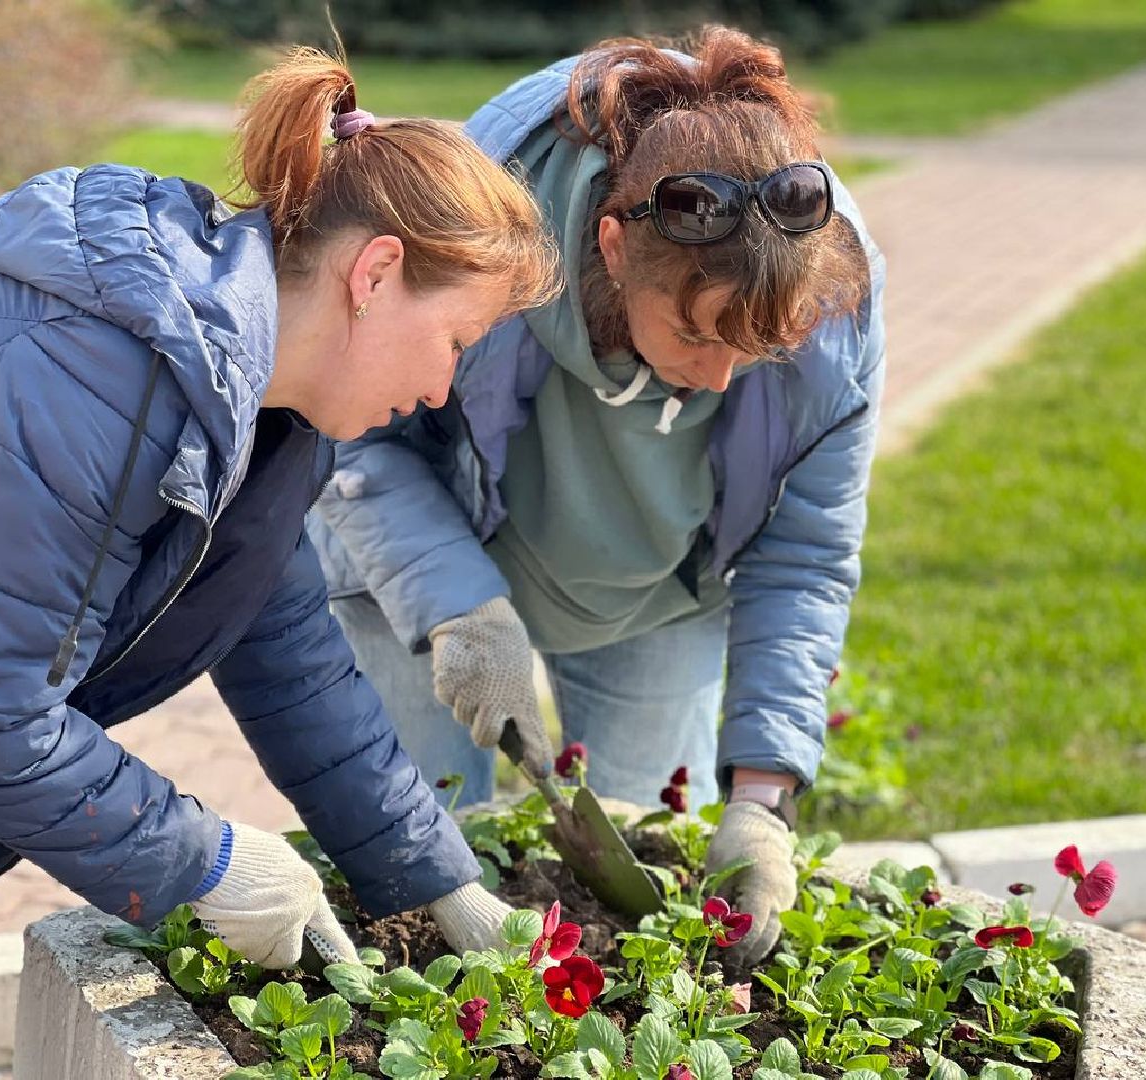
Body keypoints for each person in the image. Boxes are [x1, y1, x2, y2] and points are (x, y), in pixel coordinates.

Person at [0, 47, 557, 1077]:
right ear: (375, 275)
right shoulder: (113, 372)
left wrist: (426, 872)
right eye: (457, 338)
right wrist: (204, 862)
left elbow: (282, 636)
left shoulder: (244, 398)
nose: (442, 388)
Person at [309, 27, 886, 971]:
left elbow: (806, 553)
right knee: (409, 897)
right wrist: (459, 608)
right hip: (414, 576)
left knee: (659, 920)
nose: (721, 381)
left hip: (659, 603)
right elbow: (354, 431)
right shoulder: (480, 225)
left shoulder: (829, 296)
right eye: (698, 337)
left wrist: (763, 797)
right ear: (612, 249)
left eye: (759, 348)